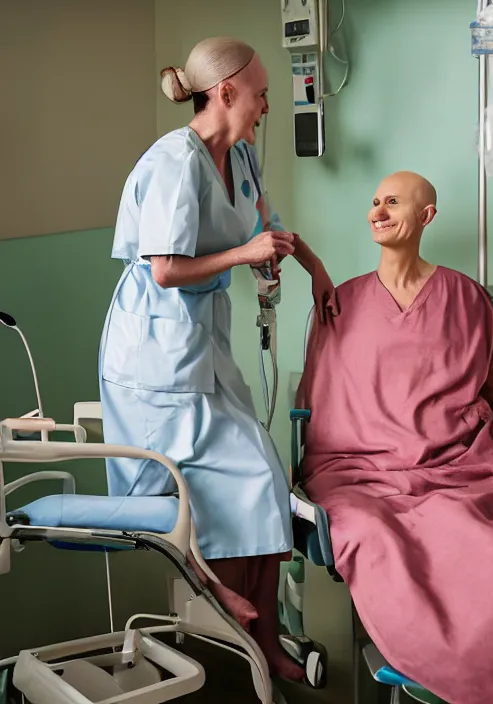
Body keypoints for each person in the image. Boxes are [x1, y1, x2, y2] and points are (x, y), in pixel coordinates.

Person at [98, 36, 337, 681]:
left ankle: (264, 637)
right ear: (225, 93)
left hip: (201, 339)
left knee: (263, 470)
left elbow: (267, 228)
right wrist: (244, 258)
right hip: (156, 353)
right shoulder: (174, 162)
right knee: (219, 482)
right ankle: (233, 626)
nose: (266, 105)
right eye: (260, 93)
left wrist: (311, 267)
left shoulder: (243, 158)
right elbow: (167, 269)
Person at [298, 171, 493, 704]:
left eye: (392, 201)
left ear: (426, 216)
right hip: (360, 472)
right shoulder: (337, 304)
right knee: (377, 533)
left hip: (461, 464)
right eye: (373, 201)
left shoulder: (465, 298)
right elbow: (318, 404)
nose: (377, 210)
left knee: (487, 537)